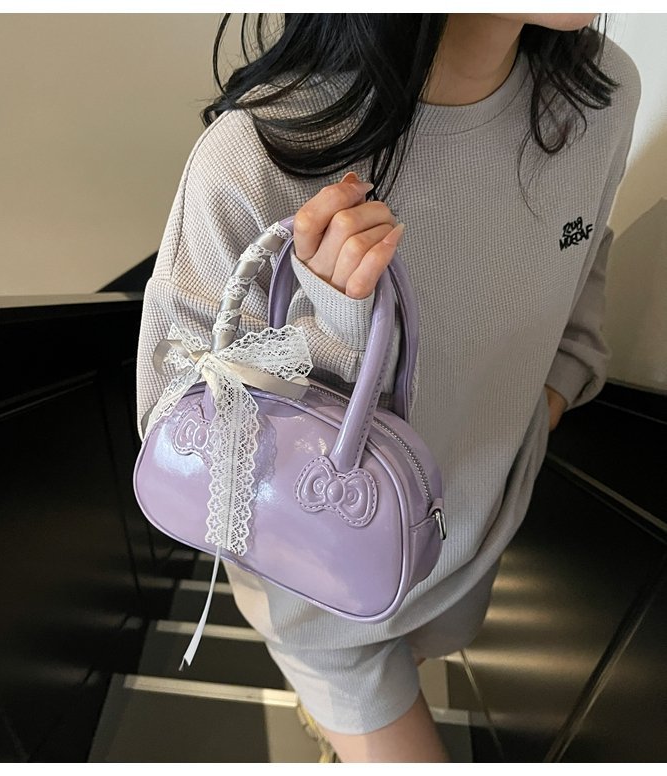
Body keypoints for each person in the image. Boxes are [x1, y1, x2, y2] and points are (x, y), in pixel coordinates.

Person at [136, 13, 641, 762]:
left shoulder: (601, 94)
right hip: (314, 591)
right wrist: (328, 327)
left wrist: (554, 393)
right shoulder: (256, 154)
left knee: (428, 649)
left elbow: (585, 261)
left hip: (475, 539)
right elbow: (172, 416)